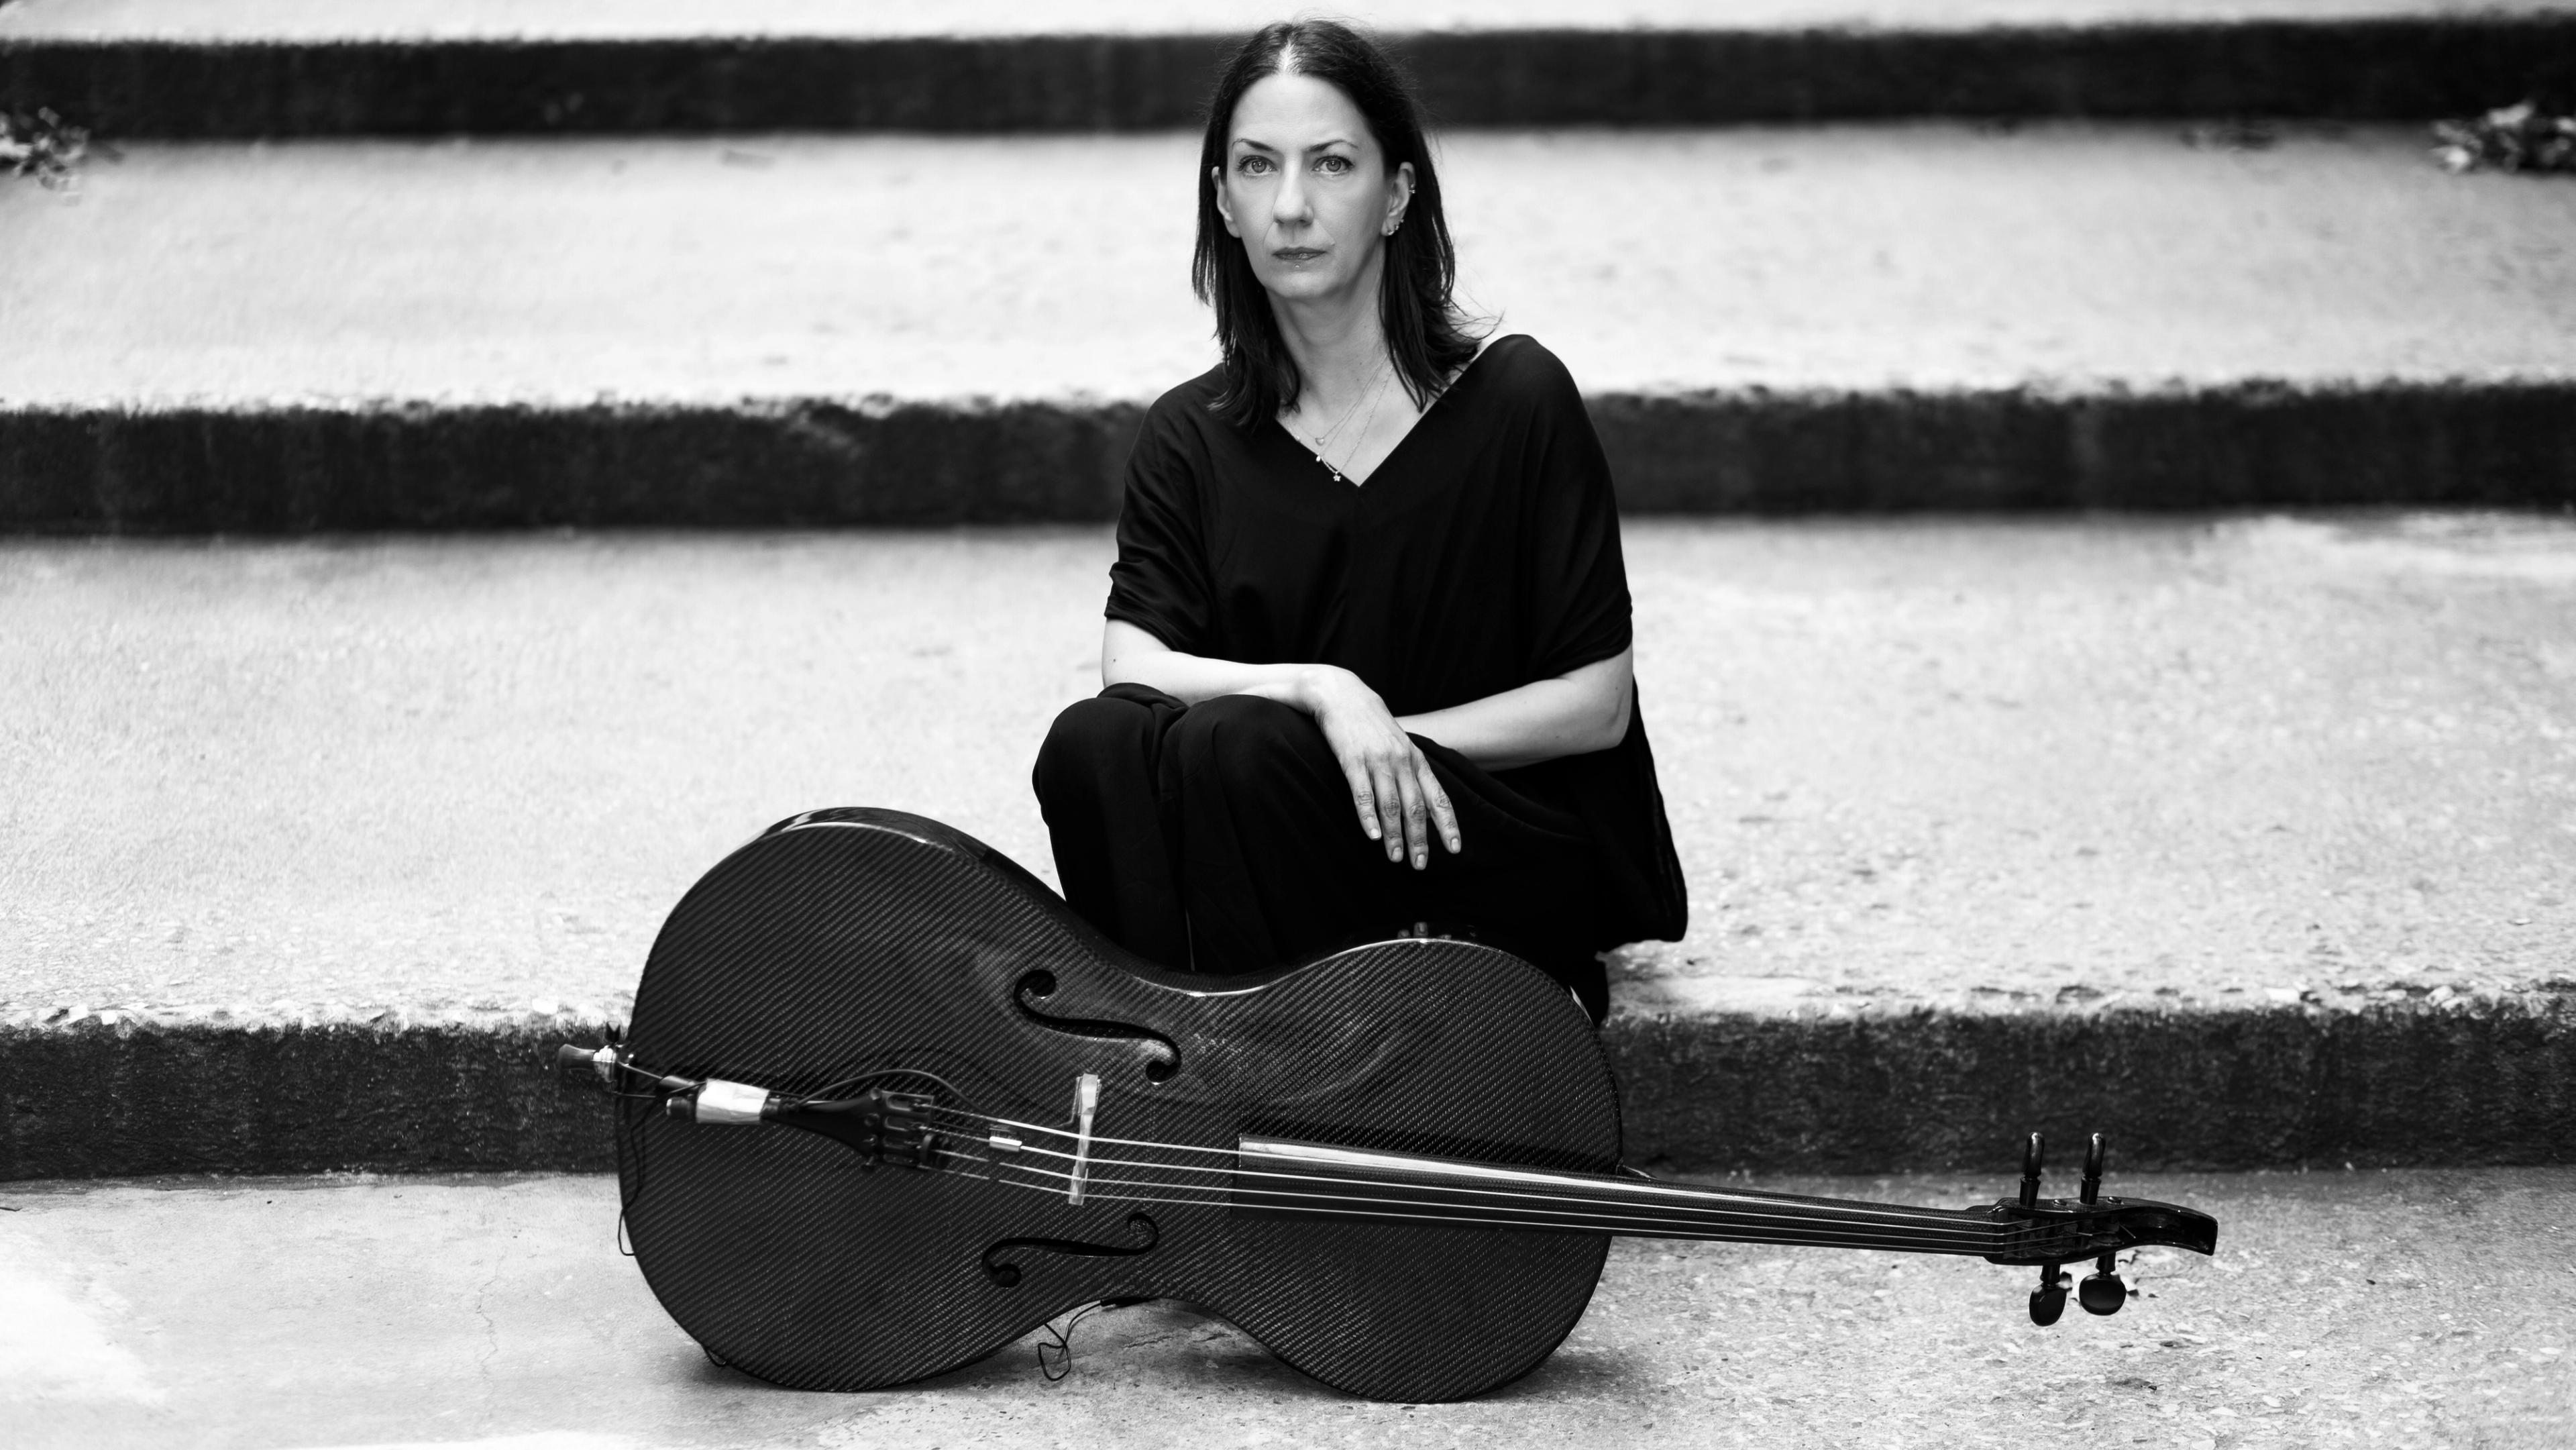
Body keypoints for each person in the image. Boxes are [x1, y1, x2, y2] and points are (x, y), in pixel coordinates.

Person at [1032, 18, 1684, 1023]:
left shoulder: (1515, 398)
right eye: (1257, 167)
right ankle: (1167, 1052)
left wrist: (1373, 746)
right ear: (1224, 201)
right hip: (1274, 838)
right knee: (1095, 744)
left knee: (1241, 746)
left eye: (1331, 164)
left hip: (1483, 841)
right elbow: (1134, 665)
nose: (1292, 205)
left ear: (1398, 193)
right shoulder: (1191, 435)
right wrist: (1326, 695)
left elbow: (1595, 702)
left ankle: (1266, 1067)